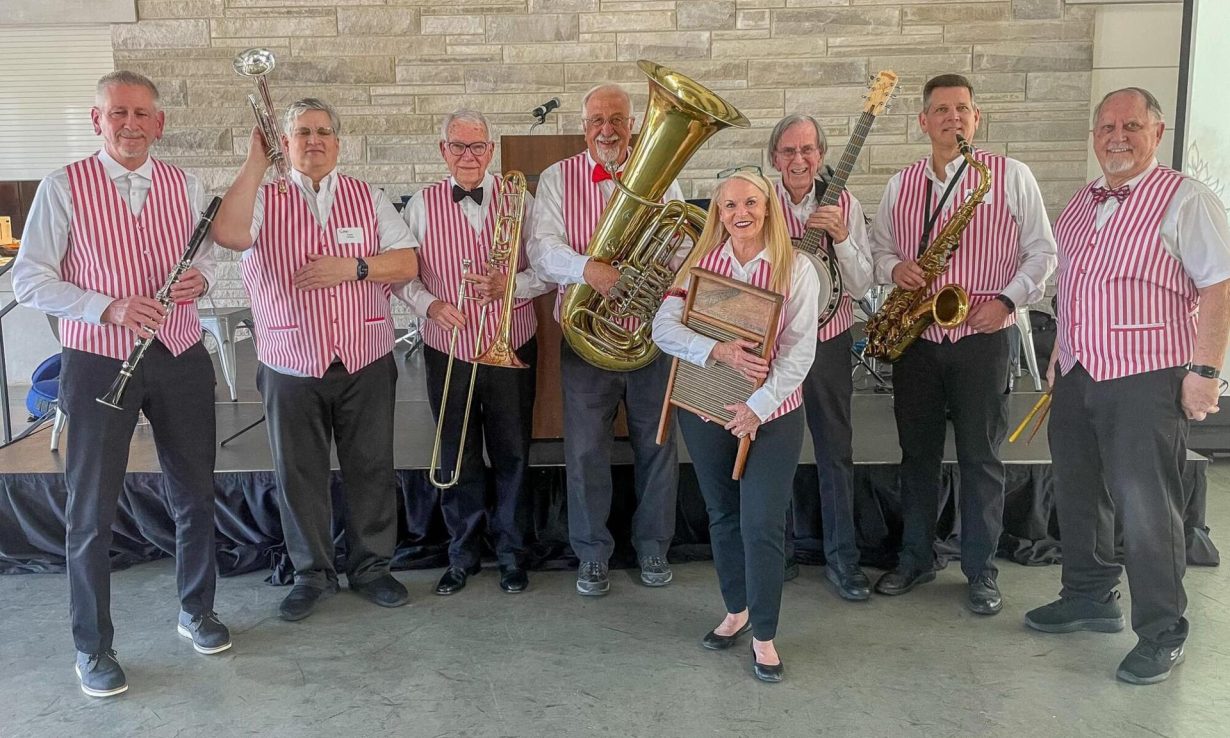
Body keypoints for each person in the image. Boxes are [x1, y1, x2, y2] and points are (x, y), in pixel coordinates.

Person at [13, 71, 230, 698]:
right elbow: (30, 279)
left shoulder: (186, 185)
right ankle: (92, 647)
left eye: (141, 114)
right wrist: (106, 307)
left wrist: (202, 280)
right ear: (97, 120)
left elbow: (205, 259)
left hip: (180, 353)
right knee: (91, 508)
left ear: (159, 123)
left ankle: (197, 610)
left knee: (195, 493)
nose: (130, 124)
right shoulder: (62, 186)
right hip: (98, 359)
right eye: (118, 113)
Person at [1025, 87, 1230, 684]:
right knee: (1079, 493)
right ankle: (1089, 595)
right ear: (1095, 137)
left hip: (1147, 378)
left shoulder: (1186, 200)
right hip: (1078, 373)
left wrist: (1206, 371)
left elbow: (1220, 285)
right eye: (1108, 127)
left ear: (1156, 133)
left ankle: (1163, 630)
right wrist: (1058, 357)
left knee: (1147, 508)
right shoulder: (1079, 204)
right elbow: (1074, 289)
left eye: (1131, 126)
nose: (1118, 137)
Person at [211, 98, 418, 622]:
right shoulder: (262, 198)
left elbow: (407, 262)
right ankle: (312, 574)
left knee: (371, 467)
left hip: (365, 356)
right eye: (302, 132)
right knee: (298, 473)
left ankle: (372, 568)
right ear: (285, 143)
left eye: (323, 131)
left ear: (338, 142)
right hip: (290, 360)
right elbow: (229, 234)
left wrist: (353, 267)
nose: (314, 140)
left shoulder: (367, 197)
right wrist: (254, 161)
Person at [868, 74, 1057, 614]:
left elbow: (1043, 253)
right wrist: (894, 268)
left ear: (977, 118)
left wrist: (1007, 302)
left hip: (983, 336)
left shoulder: (1010, 176)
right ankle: (915, 558)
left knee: (982, 459)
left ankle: (981, 570)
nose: (953, 118)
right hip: (917, 339)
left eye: (962, 109)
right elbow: (879, 249)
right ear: (923, 121)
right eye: (941, 110)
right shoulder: (901, 184)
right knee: (916, 457)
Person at [653, 170, 819, 683]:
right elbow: (663, 328)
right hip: (706, 411)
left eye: (750, 202)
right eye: (728, 205)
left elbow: (799, 353)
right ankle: (736, 610)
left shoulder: (798, 268)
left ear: (767, 207)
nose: (739, 213)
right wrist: (717, 351)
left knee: (761, 523)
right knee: (722, 515)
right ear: (718, 213)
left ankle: (764, 635)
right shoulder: (699, 264)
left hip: (771, 416)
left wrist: (757, 407)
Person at [528, 83, 684, 596]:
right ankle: (592, 554)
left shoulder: (664, 177)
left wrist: (658, 272)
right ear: (584, 127)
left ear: (633, 125)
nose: (607, 130)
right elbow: (542, 251)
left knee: (657, 445)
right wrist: (588, 270)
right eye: (597, 120)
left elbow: (682, 245)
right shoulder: (557, 178)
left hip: (650, 337)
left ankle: (654, 545)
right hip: (587, 339)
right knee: (585, 452)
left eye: (617, 119)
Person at [399, 109, 552, 596]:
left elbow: (549, 269)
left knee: (513, 453)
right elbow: (402, 275)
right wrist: (430, 305)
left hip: (512, 343)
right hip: (448, 348)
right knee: (457, 453)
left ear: (491, 150)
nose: (469, 155)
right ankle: (461, 554)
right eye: (458, 146)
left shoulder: (520, 199)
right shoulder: (420, 205)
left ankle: (511, 554)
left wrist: (511, 286)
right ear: (443, 150)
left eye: (478, 146)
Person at [769, 114, 875, 600]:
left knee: (835, 450)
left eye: (808, 150)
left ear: (822, 156)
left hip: (829, 341)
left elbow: (863, 284)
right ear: (775, 158)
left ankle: (842, 558)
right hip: (774, 345)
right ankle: (778, 551)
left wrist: (844, 238)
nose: (799, 160)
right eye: (789, 151)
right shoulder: (759, 202)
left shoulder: (844, 203)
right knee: (775, 451)